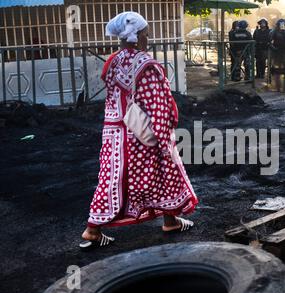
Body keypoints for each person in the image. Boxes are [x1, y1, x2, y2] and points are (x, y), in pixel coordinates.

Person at [80, 12, 198, 250]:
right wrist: (165, 137)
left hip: (114, 133)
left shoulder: (112, 62)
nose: (148, 36)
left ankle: (94, 229)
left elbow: (114, 97)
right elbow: (158, 105)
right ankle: (170, 220)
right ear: (137, 35)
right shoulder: (147, 65)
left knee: (113, 180)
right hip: (140, 135)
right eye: (146, 32)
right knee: (163, 170)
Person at [269, 19, 285, 92]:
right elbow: (269, 43)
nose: (282, 25)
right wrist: (274, 49)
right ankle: (276, 85)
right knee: (276, 70)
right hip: (276, 54)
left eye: (283, 24)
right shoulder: (274, 32)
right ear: (278, 24)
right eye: (281, 24)